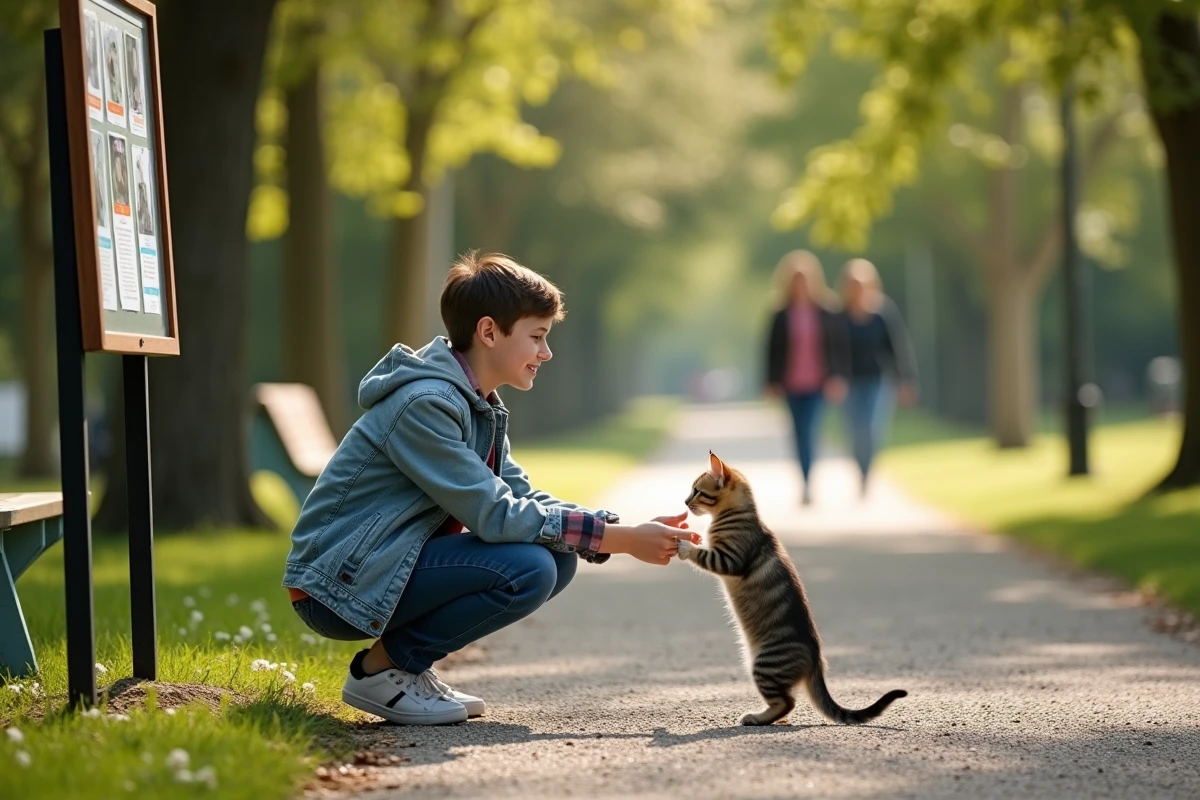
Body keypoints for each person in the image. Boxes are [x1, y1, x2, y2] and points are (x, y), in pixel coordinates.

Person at [283, 252, 696, 726]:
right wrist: (620, 544)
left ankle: (405, 668)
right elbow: (496, 514)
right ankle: (384, 671)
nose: (546, 353)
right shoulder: (425, 405)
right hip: (337, 585)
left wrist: (618, 528)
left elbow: (522, 497)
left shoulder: (477, 405)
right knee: (530, 568)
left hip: (380, 566)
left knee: (556, 557)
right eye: (537, 337)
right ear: (488, 332)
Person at [764, 250, 848, 505]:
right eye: (796, 278)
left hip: (818, 384)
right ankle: (803, 479)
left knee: (811, 430)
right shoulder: (780, 313)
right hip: (791, 383)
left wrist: (837, 377)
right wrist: (771, 382)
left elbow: (838, 347)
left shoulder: (827, 310)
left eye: (805, 278)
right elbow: (771, 350)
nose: (800, 283)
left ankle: (809, 481)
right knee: (798, 432)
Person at [836, 258, 917, 497]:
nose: (857, 289)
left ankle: (866, 474)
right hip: (849, 382)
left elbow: (897, 347)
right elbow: (832, 349)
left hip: (877, 381)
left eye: (861, 284)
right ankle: (860, 468)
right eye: (852, 284)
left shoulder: (883, 312)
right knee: (855, 431)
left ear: (871, 285)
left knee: (872, 429)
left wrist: (907, 380)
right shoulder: (839, 316)